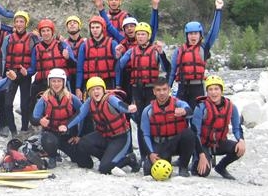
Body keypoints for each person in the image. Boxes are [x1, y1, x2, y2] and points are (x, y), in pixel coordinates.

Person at [115, 22, 171, 160]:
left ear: (148, 36)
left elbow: (167, 67)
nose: (140, 37)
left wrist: (162, 53)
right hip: (137, 90)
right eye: (138, 34)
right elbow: (120, 65)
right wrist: (117, 54)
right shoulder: (131, 51)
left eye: (143, 34)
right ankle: (144, 154)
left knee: (153, 119)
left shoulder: (155, 50)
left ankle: (156, 151)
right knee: (141, 122)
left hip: (152, 90)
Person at [70, 76, 139, 175]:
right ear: (89, 93)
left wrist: (129, 108)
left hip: (120, 137)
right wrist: (66, 126)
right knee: (83, 143)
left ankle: (129, 159)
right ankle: (107, 158)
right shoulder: (90, 102)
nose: (96, 92)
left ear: (103, 89)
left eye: (98, 88)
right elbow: (79, 115)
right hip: (104, 135)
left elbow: (120, 105)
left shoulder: (110, 99)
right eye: (92, 90)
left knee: (104, 169)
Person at [169, 0, 224, 109]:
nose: (193, 36)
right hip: (182, 88)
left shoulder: (204, 48)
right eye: (190, 34)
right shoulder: (179, 50)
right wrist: (167, 89)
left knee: (196, 118)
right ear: (187, 35)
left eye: (195, 34)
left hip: (197, 88)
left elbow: (214, 32)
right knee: (180, 119)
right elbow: (172, 72)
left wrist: (218, 10)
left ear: (200, 35)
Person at [192, 75, 245, 180]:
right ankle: (196, 161)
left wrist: (241, 140)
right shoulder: (201, 107)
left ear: (221, 90)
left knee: (240, 148)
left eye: (216, 89)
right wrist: (201, 154)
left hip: (219, 143)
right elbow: (195, 133)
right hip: (203, 144)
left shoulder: (231, 107)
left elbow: (237, 128)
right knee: (203, 173)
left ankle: (221, 167)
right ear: (207, 92)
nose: (213, 92)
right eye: (210, 89)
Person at [140, 77, 194, 178]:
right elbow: (145, 134)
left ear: (169, 90)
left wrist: (184, 111)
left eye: (164, 89)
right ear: (154, 92)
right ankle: (166, 160)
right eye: (158, 90)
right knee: (148, 170)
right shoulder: (148, 111)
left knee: (189, 134)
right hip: (160, 144)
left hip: (176, 142)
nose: (162, 93)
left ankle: (183, 167)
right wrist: (151, 153)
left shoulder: (178, 104)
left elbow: (189, 111)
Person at [31, 68, 81, 168]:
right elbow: (34, 118)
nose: (56, 84)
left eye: (59, 81)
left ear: (64, 82)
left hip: (67, 135)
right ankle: (52, 156)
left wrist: (79, 135)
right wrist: (40, 120)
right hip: (51, 134)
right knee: (49, 140)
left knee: (82, 161)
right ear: (50, 82)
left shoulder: (72, 98)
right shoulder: (44, 99)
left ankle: (64, 151)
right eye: (53, 81)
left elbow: (82, 114)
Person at [2, 10, 38, 134]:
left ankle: (24, 129)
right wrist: (5, 73)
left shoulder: (33, 38)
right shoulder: (8, 38)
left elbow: (39, 53)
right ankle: (13, 130)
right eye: (16, 21)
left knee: (24, 105)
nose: (19, 24)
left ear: (26, 23)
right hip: (11, 74)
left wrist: (28, 72)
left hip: (25, 75)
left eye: (21, 21)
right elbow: (3, 57)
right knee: (7, 104)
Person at [29, 18, 76, 104]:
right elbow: (32, 69)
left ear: (52, 32)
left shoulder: (62, 45)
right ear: (40, 33)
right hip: (42, 82)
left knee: (68, 104)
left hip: (60, 82)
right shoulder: (36, 48)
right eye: (43, 31)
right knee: (31, 101)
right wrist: (24, 73)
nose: (46, 33)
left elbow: (74, 65)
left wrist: (68, 58)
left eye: (48, 30)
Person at [75, 15, 121, 99]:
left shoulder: (112, 43)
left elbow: (117, 67)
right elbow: (80, 68)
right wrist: (78, 87)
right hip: (90, 82)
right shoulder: (84, 46)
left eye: (97, 27)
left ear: (102, 28)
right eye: (92, 28)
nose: (94, 30)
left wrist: (118, 84)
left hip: (108, 81)